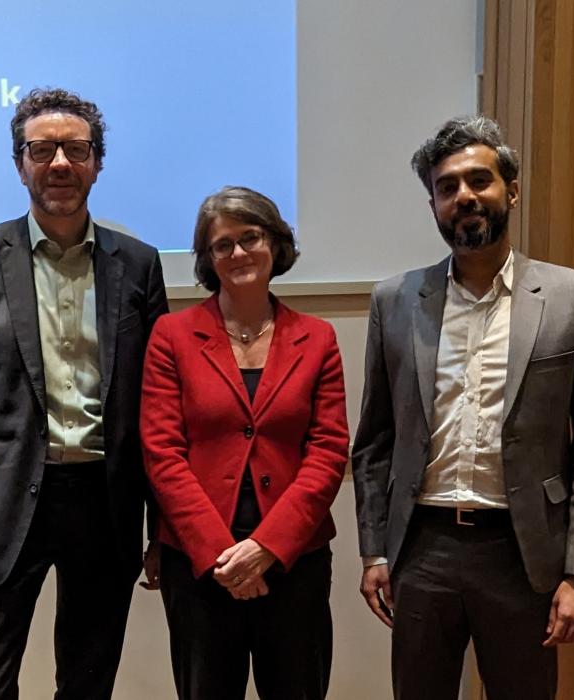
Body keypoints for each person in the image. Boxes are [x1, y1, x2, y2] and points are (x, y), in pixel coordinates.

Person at [351, 115, 574, 700]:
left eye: (479, 180)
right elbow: (374, 441)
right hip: (422, 549)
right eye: (447, 188)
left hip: (523, 554)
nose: (464, 197)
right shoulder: (395, 301)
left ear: (512, 190)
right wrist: (374, 550)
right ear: (433, 205)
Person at [0, 87, 170, 700]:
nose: (59, 163)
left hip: (105, 504)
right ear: (20, 163)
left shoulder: (137, 264)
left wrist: (163, 529)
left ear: (97, 162)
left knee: (88, 684)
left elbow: (160, 408)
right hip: (1, 507)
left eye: (76, 149)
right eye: (42, 149)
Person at [140, 186, 349, 699]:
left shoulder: (317, 338)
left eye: (250, 237)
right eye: (222, 245)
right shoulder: (172, 335)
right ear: (208, 259)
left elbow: (327, 453)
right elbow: (162, 454)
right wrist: (222, 556)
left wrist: (266, 549)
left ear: (274, 243)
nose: (238, 253)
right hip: (199, 567)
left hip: (294, 562)